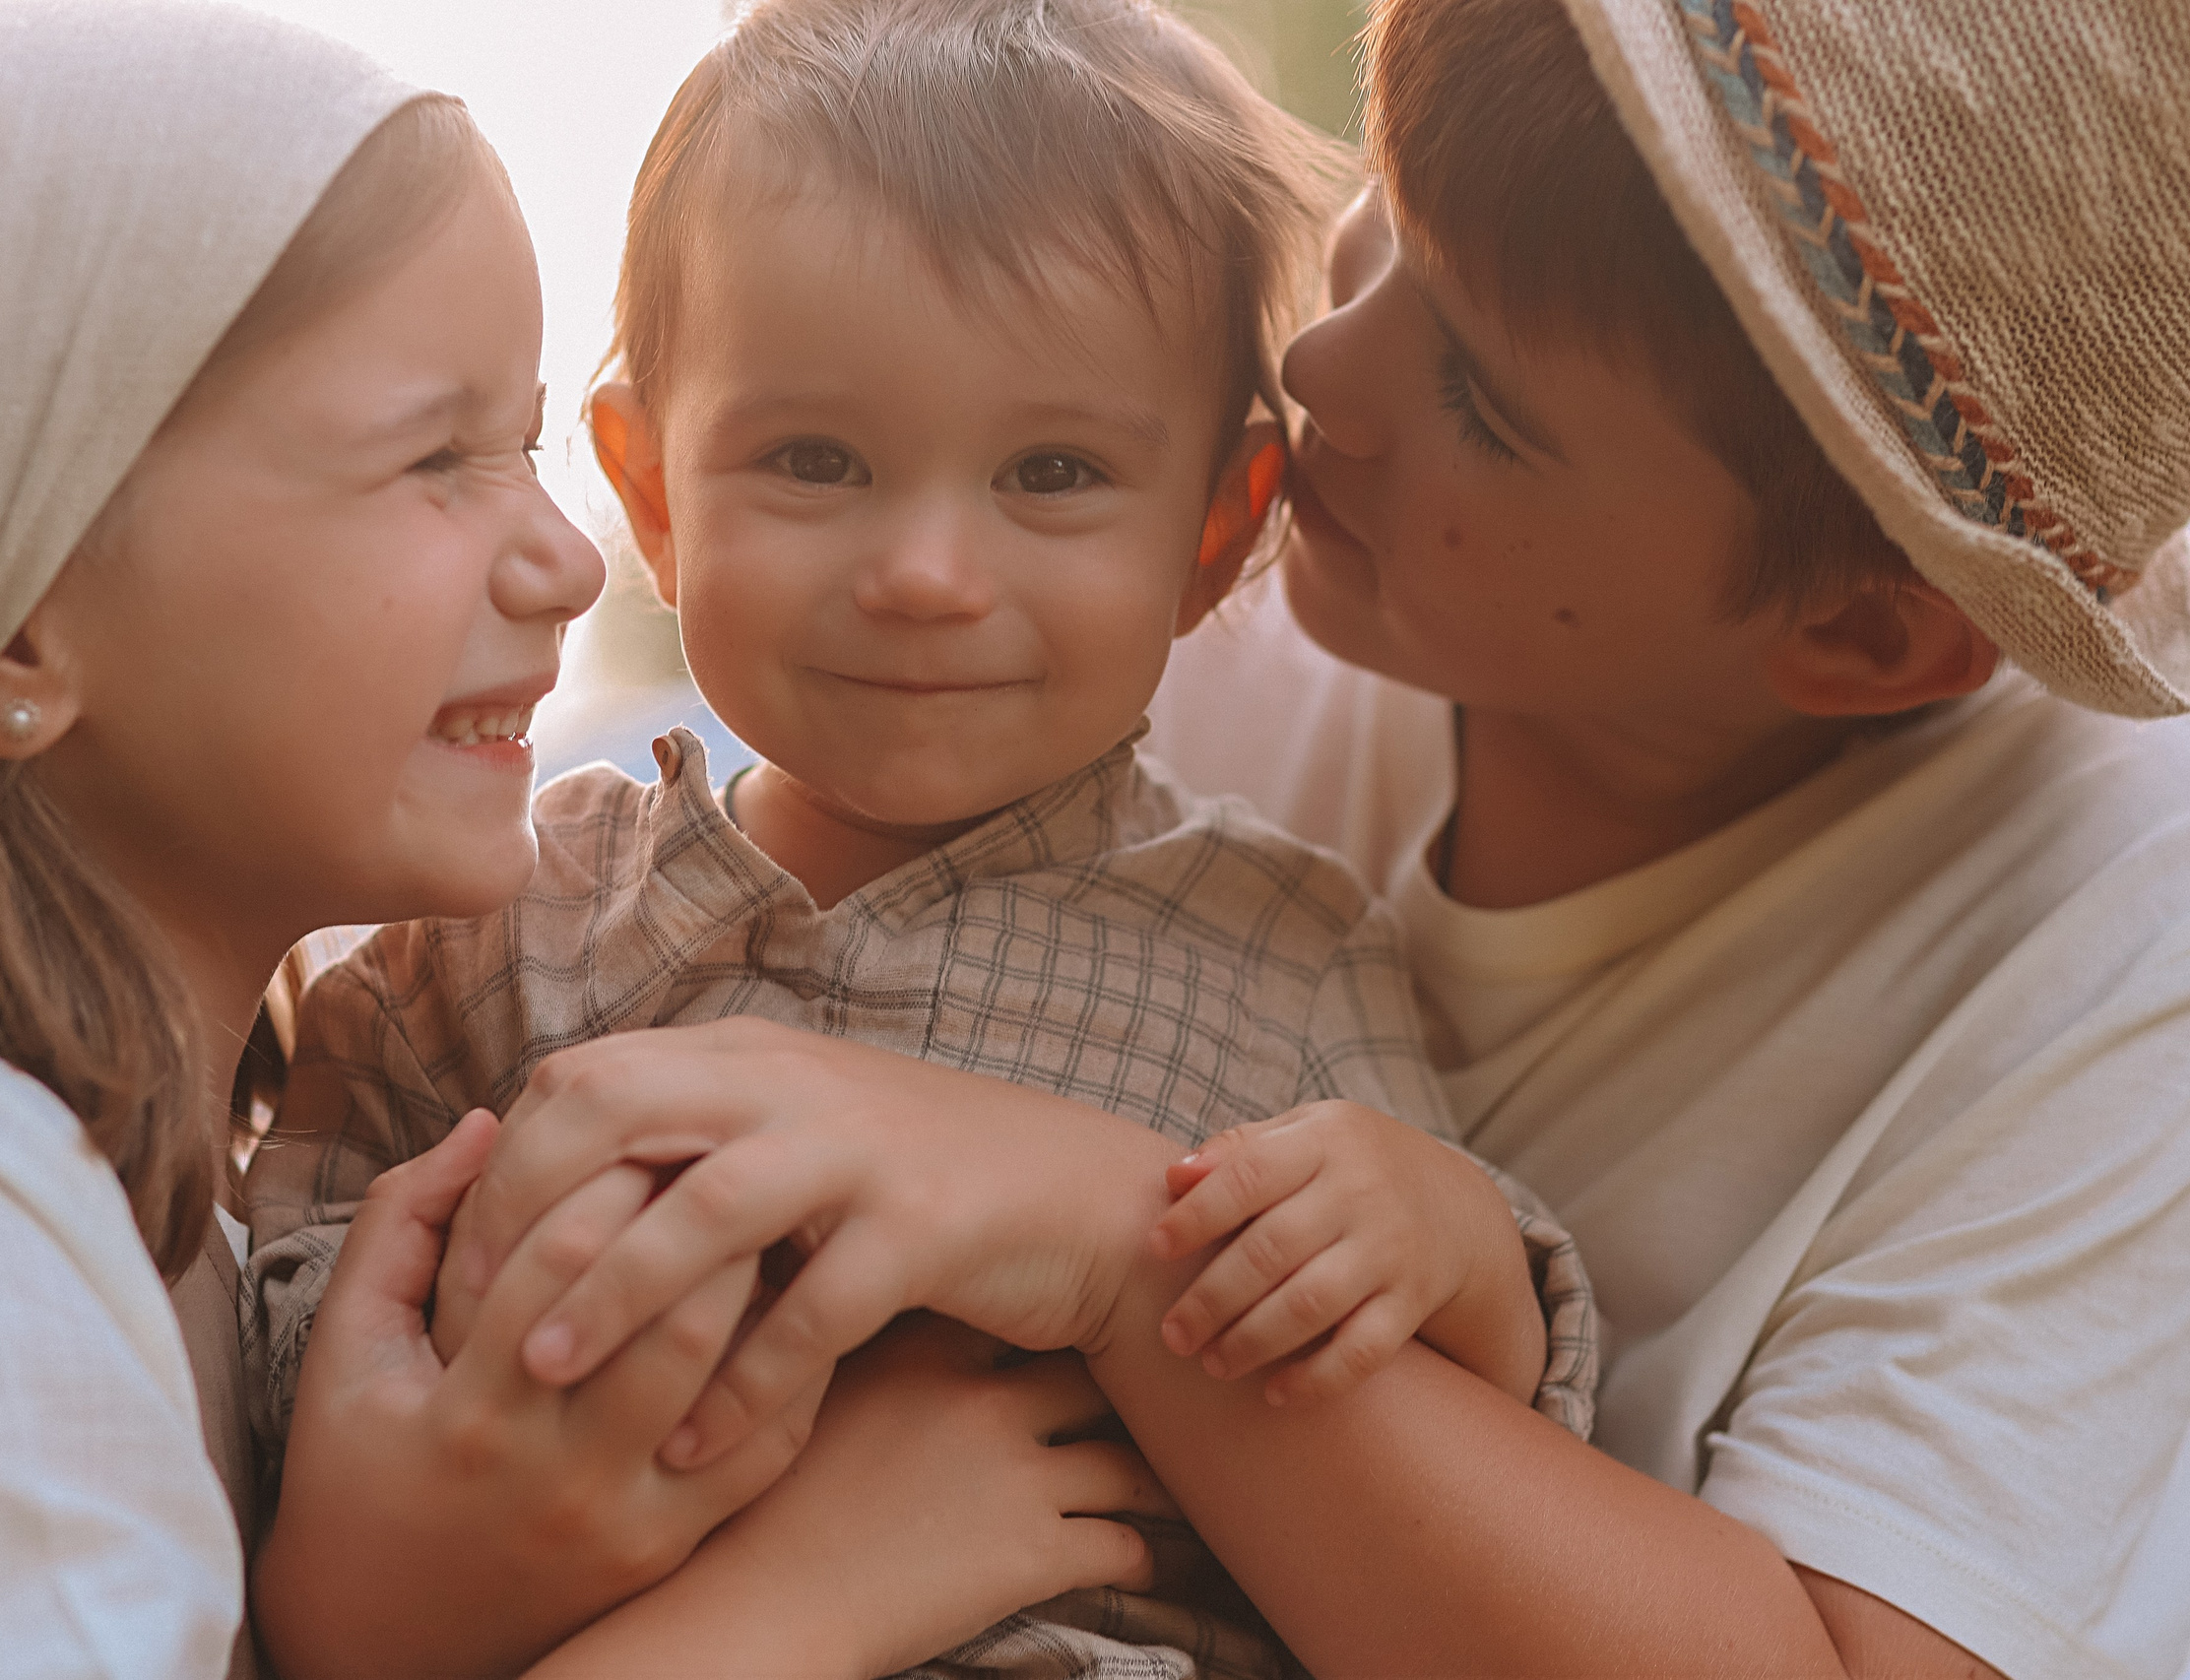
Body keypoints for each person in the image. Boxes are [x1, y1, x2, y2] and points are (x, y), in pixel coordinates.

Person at [406, 0, 2190, 1675]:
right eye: (1390, 216)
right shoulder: (1160, 582)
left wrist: (1114, 1231)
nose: (1326, 363)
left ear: (1863, 640)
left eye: (1486, 400)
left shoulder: (2122, 934)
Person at [0, 6, 1178, 1678]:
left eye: (524, 444)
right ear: (19, 628)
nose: (567, 562)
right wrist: (801, 1604)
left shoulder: (194, 1197)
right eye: (432, 459)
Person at [246, 3, 1593, 1666]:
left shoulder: (1284, 951)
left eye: (1051, 470)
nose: (927, 573)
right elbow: (285, 1321)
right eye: (818, 460)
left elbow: (1478, 1419)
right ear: (656, 493)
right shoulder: (494, 917)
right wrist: (525, 1319)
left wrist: (1447, 1237)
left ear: (1217, 527)